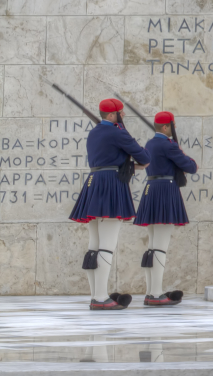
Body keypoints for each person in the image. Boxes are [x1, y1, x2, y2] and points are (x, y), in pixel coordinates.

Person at [69, 99, 150, 311]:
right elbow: (143, 156)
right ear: (113, 115)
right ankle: (102, 297)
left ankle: (96, 296)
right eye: (121, 114)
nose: (123, 117)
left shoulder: (94, 132)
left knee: (94, 245)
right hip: (111, 185)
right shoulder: (117, 132)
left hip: (93, 183)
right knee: (106, 245)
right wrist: (123, 128)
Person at [133, 111, 197, 307]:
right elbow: (191, 167)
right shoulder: (168, 145)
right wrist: (184, 155)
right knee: (160, 247)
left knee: (153, 246)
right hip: (165, 191)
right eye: (173, 126)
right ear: (165, 127)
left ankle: (150, 291)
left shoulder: (151, 144)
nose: (174, 129)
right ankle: (156, 293)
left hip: (151, 189)